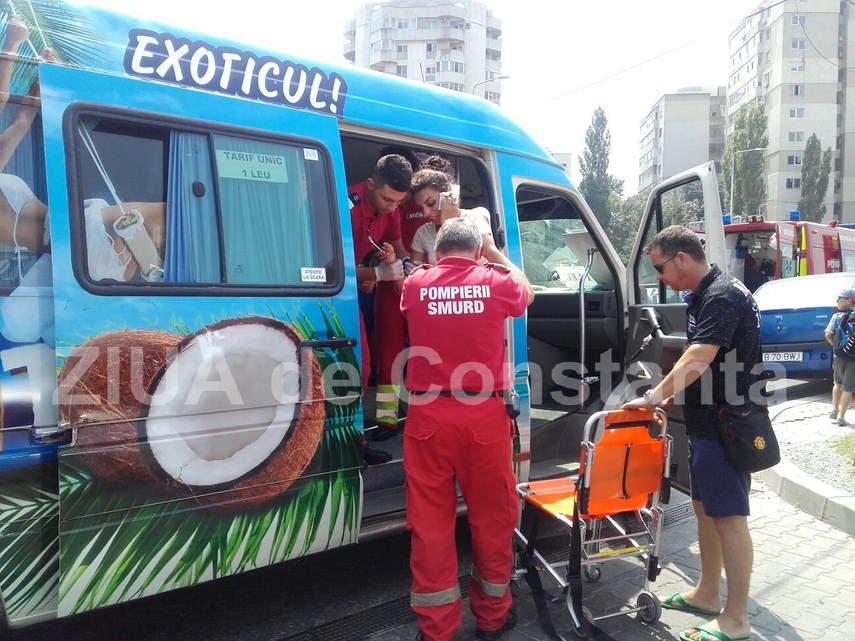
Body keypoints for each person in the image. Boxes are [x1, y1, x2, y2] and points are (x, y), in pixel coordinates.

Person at [400, 218, 534, 641]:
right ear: (478, 252)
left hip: (428, 420)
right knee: (493, 518)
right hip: (485, 419)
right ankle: (493, 619)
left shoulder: (416, 285)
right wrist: (494, 253)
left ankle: (437, 630)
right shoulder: (495, 281)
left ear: (437, 252)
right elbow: (526, 292)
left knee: (430, 525)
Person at [622, 225, 758, 641]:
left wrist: (653, 395)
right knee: (704, 509)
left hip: (724, 424)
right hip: (704, 422)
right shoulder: (703, 294)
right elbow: (696, 356)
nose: (659, 277)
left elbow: (699, 355)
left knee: (729, 518)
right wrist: (671, 395)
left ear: (682, 258)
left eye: (660, 268)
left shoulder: (723, 295)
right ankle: (706, 594)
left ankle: (736, 619)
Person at [348, 153, 412, 459]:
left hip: (365, 286)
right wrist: (376, 273)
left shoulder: (392, 211)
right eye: (387, 199)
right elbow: (328, 266)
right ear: (370, 185)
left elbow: (397, 247)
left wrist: (401, 263)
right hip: (337, 292)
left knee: (370, 364)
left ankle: (363, 436)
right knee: (356, 367)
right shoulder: (345, 204)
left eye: (398, 202)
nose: (392, 207)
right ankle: (351, 443)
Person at [409, 155, 492, 266]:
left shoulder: (476, 216)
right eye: (420, 208)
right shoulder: (423, 233)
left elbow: (491, 253)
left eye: (431, 203)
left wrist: (449, 222)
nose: (426, 213)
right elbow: (413, 276)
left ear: (447, 194)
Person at [824, 288, 855, 427]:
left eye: (840, 298)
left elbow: (828, 335)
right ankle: (841, 417)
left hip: (838, 355)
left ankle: (834, 409)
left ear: (849, 300)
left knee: (837, 383)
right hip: (853, 357)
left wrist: (837, 348)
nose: (837, 301)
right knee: (848, 387)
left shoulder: (836, 316)